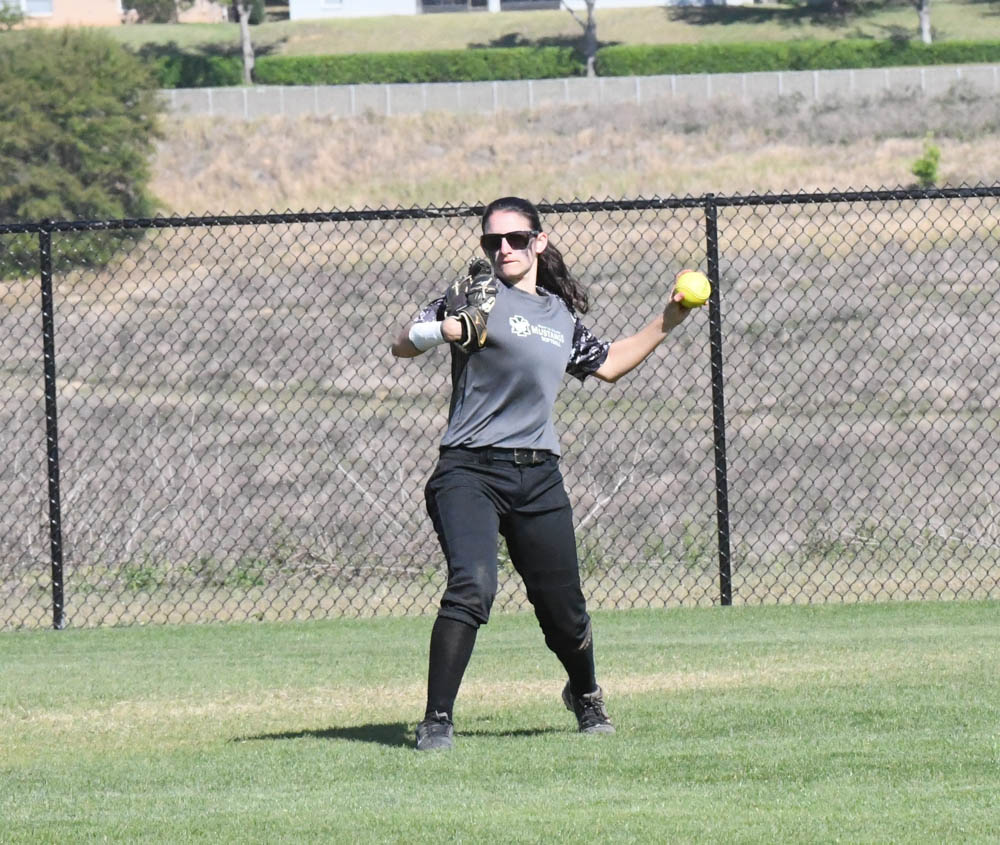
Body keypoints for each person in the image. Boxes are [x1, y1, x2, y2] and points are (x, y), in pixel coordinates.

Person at [390, 196, 697, 751]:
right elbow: (402, 344)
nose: (502, 249)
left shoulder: (558, 316)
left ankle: (584, 695)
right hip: (469, 470)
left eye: (514, 238)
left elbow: (609, 364)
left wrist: (667, 320)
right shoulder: (471, 293)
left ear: (540, 241)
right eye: (492, 241)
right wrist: (446, 331)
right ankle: (437, 719)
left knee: (563, 608)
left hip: (537, 475)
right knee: (473, 585)